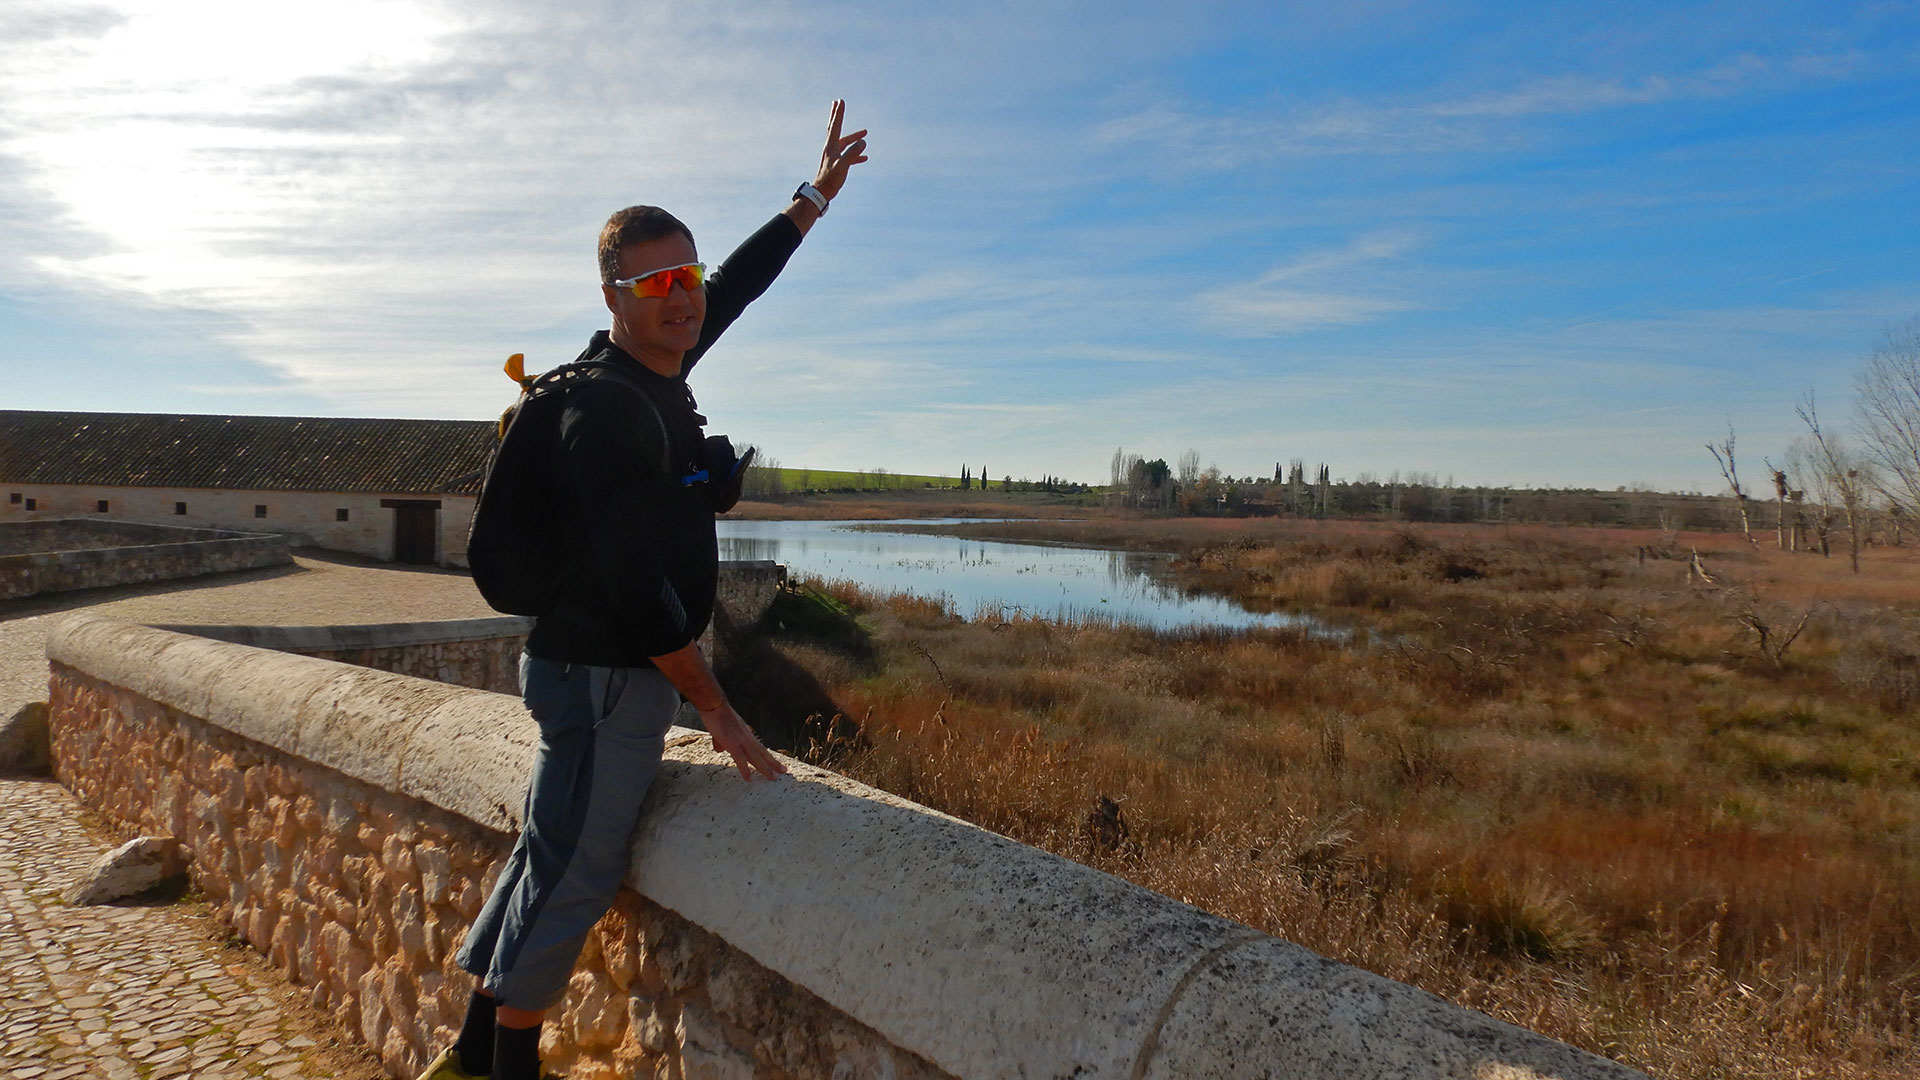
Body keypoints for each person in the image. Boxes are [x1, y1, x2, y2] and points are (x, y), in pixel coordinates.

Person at [419, 100, 869, 1080]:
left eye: (688, 276)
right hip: (604, 679)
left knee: (548, 855)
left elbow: (738, 288)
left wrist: (811, 199)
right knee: (577, 877)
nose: (685, 297)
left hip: (596, 673)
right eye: (659, 281)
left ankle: (463, 1053)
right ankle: (506, 1066)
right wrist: (718, 708)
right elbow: (631, 580)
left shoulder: (652, 368)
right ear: (615, 296)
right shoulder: (605, 409)